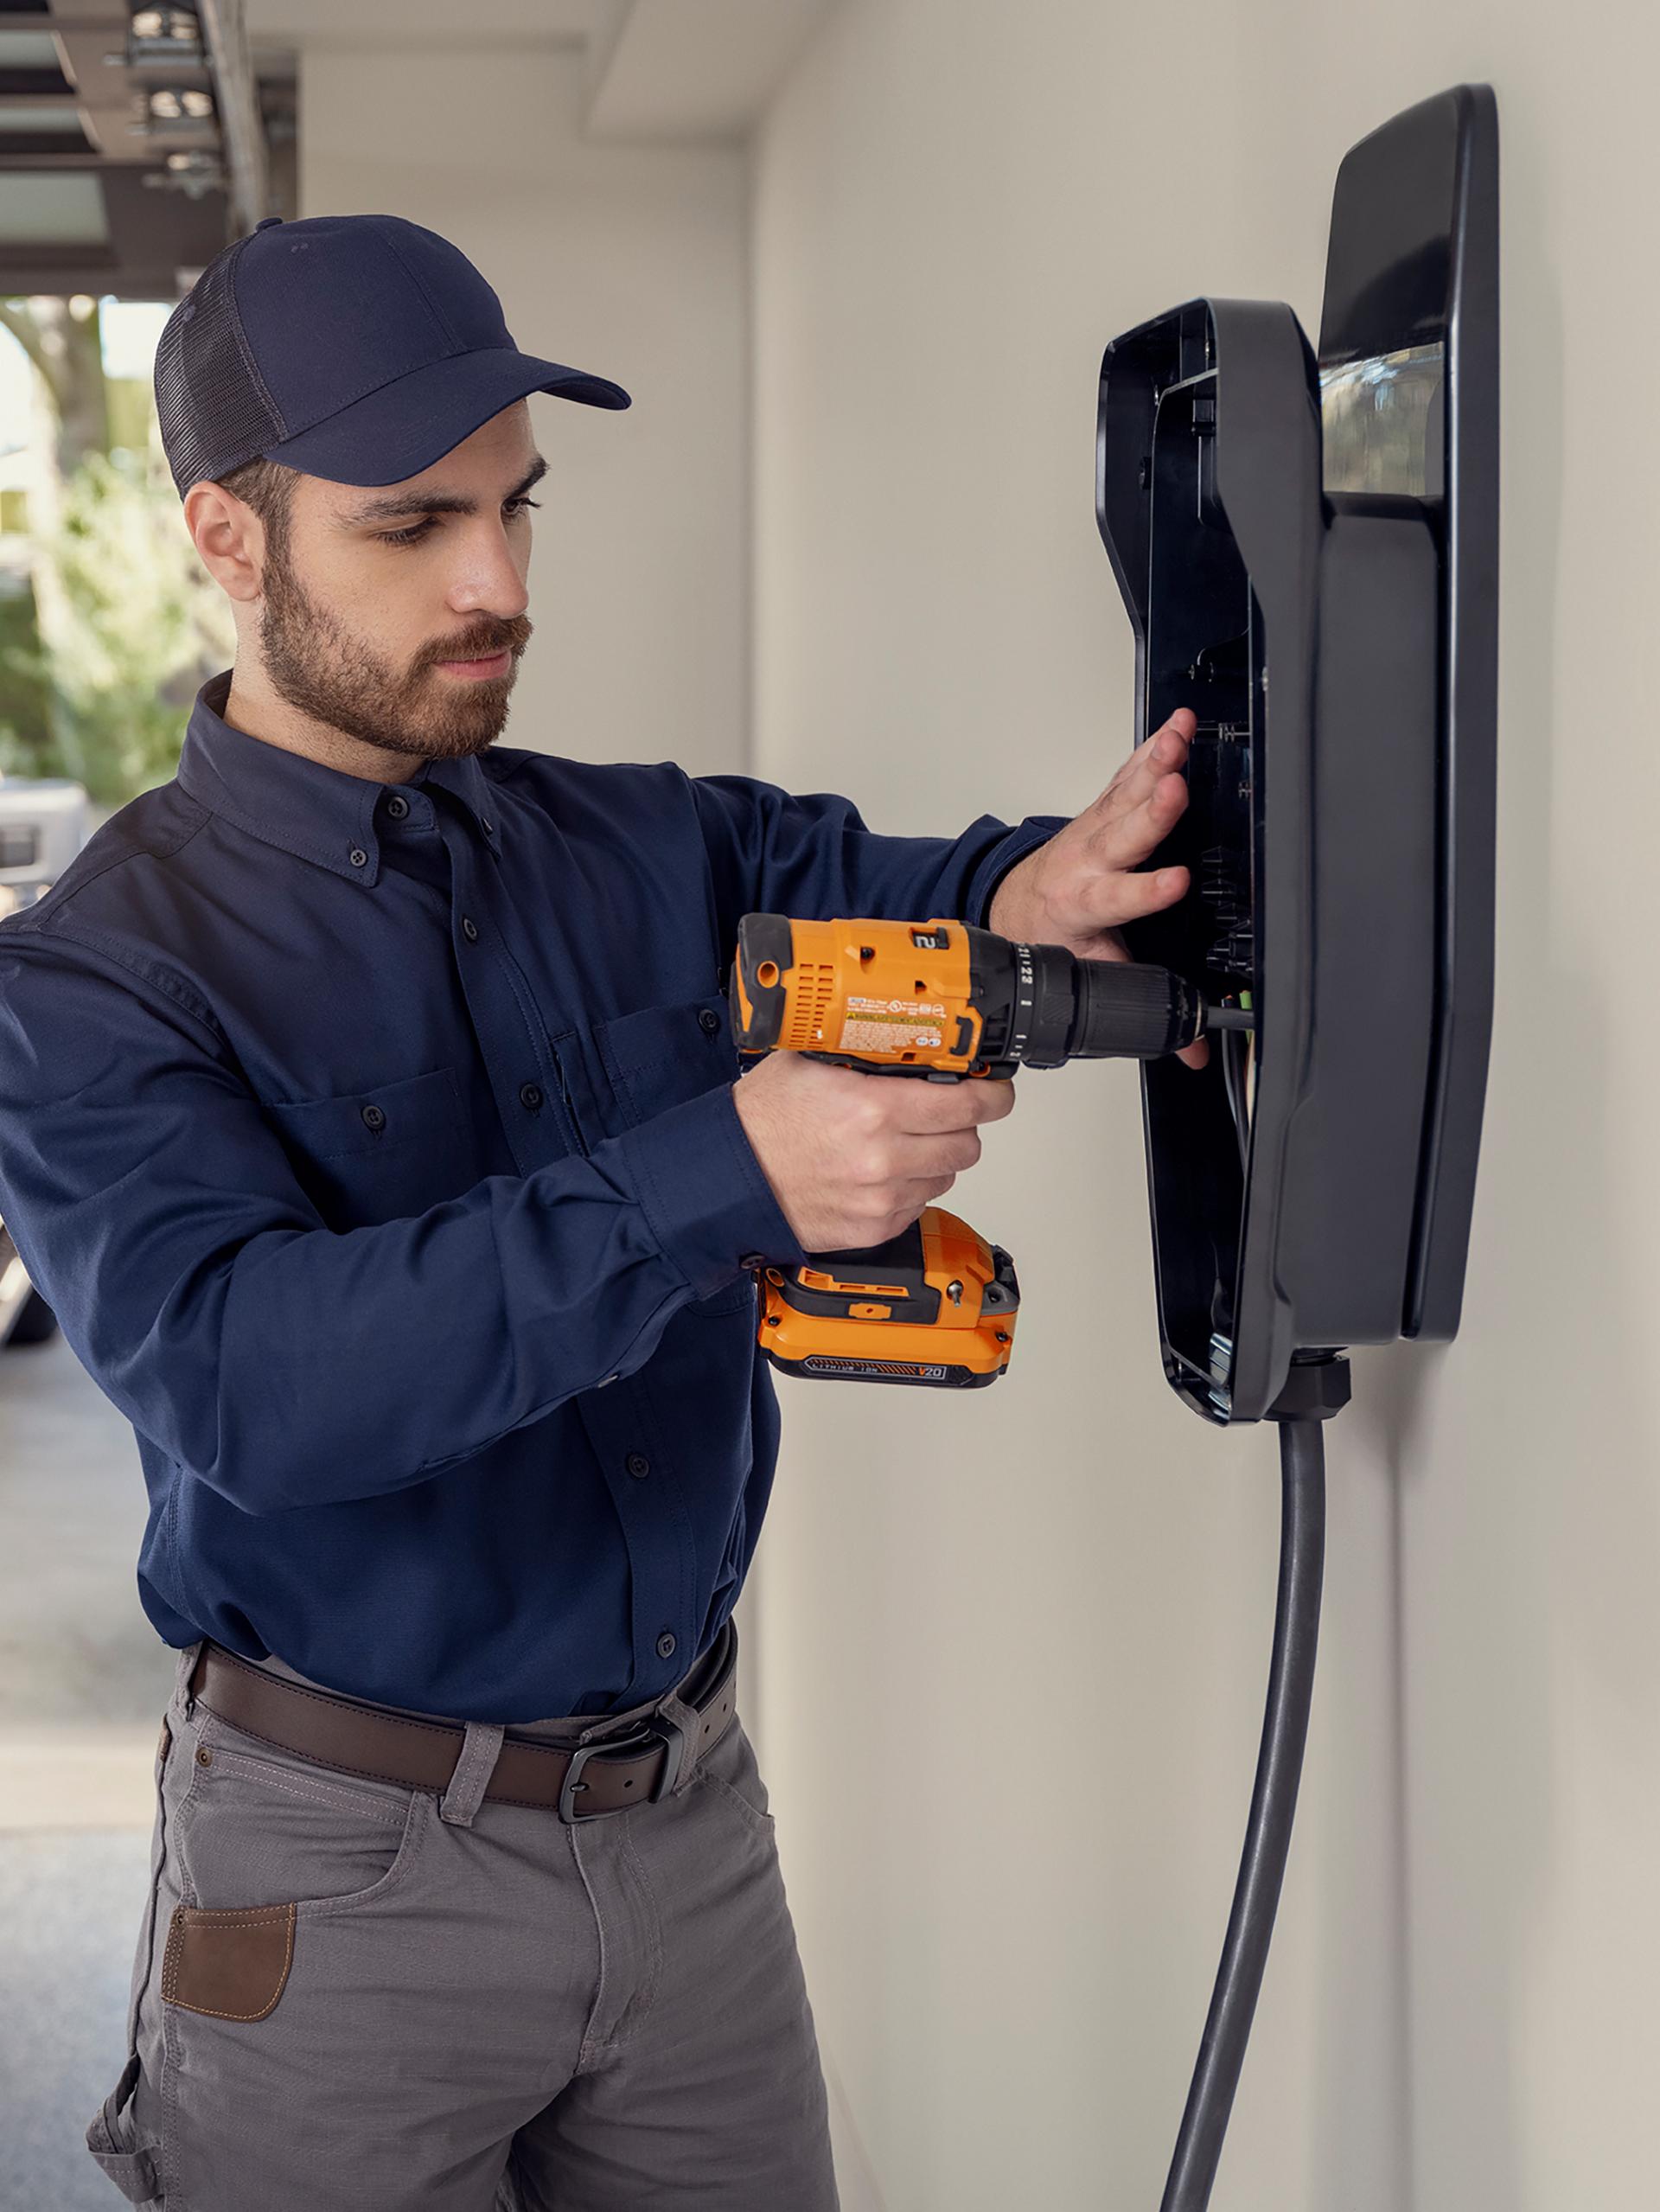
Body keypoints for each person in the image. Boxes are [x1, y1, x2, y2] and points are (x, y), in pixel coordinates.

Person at [0, 215, 1199, 2211]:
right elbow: (252, 1382)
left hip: (689, 1825)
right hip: (342, 1873)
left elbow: (926, 891)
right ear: (227, 536)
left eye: (516, 509)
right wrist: (728, 1168)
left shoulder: (647, 841)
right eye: (411, 527)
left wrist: (1041, 883)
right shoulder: (95, 978)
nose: (497, 585)